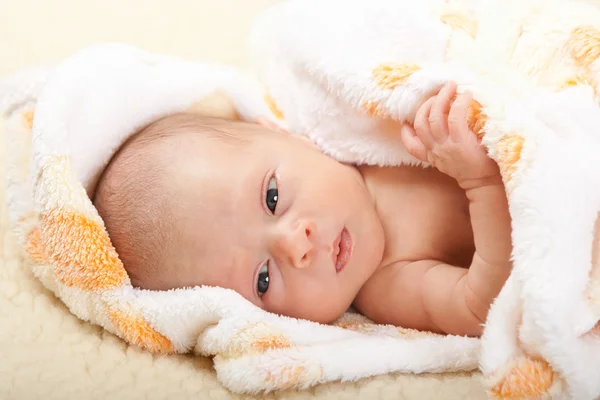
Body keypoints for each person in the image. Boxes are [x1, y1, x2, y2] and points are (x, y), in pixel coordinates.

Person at [94, 82, 512, 337]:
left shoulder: (363, 121)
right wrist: (483, 183)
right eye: (262, 280)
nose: (296, 246)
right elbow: (482, 307)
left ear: (285, 134)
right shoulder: (386, 280)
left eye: (272, 198)